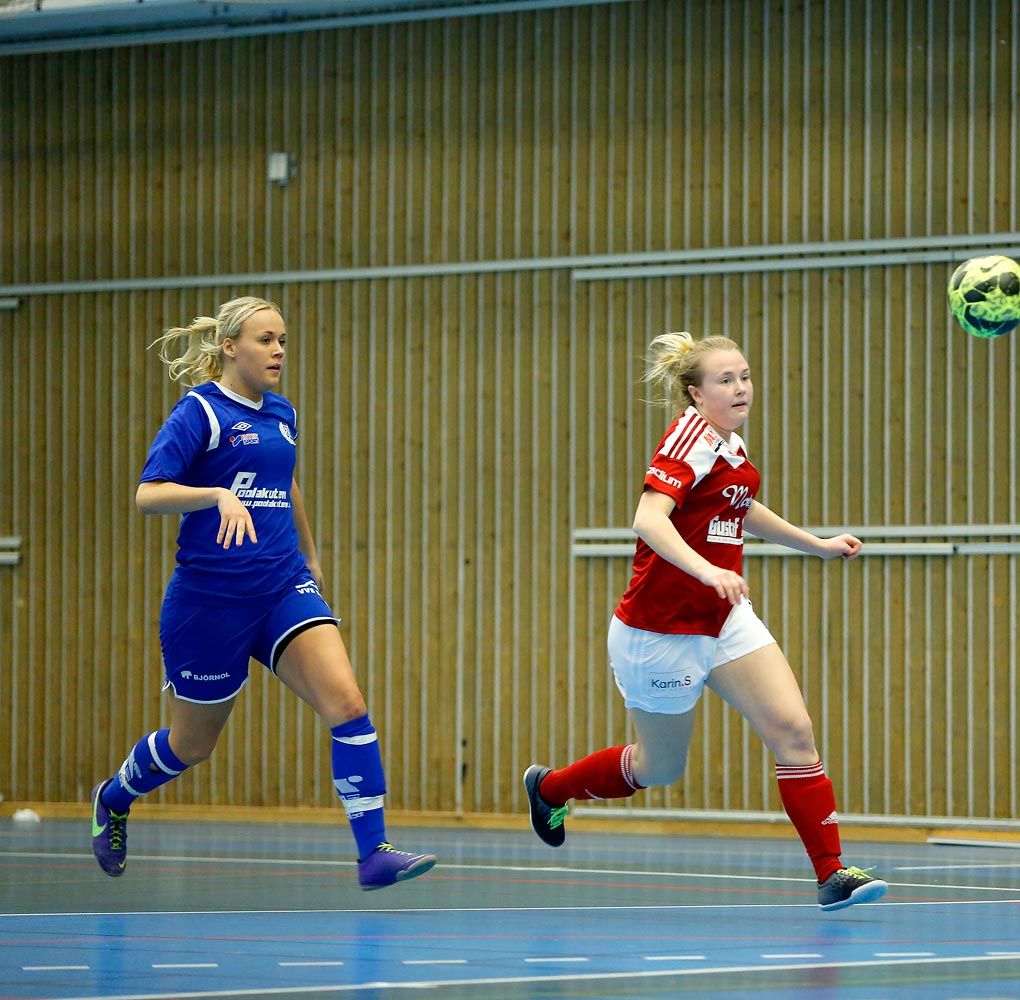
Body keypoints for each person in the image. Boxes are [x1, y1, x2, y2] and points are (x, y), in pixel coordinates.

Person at [522, 331, 888, 912]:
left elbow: (741, 508)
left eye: (744, 376)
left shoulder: (731, 446)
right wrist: (705, 570)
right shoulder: (687, 438)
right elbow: (649, 518)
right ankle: (551, 788)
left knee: (794, 733)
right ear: (694, 394)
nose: (740, 388)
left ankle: (831, 874)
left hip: (723, 620)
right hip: (659, 632)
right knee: (658, 767)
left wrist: (814, 544)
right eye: (725, 380)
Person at [89, 296, 436, 891]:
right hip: (210, 602)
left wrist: (311, 555)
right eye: (265, 339)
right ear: (230, 347)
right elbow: (148, 494)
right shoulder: (199, 412)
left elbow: (287, 481)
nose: (278, 350)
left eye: (282, 340)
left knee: (348, 705)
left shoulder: (282, 411)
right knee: (192, 746)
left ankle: (373, 853)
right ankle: (114, 796)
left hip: (281, 586)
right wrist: (215, 495)